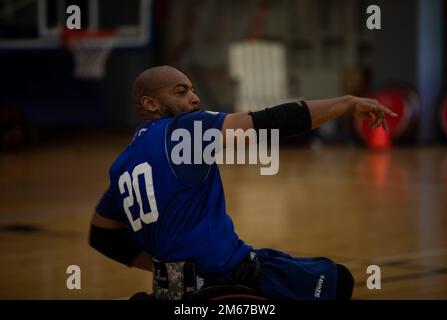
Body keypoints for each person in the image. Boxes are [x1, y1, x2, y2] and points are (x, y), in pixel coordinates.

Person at [89, 65, 397, 300]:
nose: (195, 98)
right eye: (181, 92)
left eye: (192, 90)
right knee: (336, 282)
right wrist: (346, 103)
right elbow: (269, 122)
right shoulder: (182, 130)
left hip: (172, 289)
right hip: (225, 279)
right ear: (151, 104)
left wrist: (171, 270)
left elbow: (103, 237)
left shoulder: (122, 165)